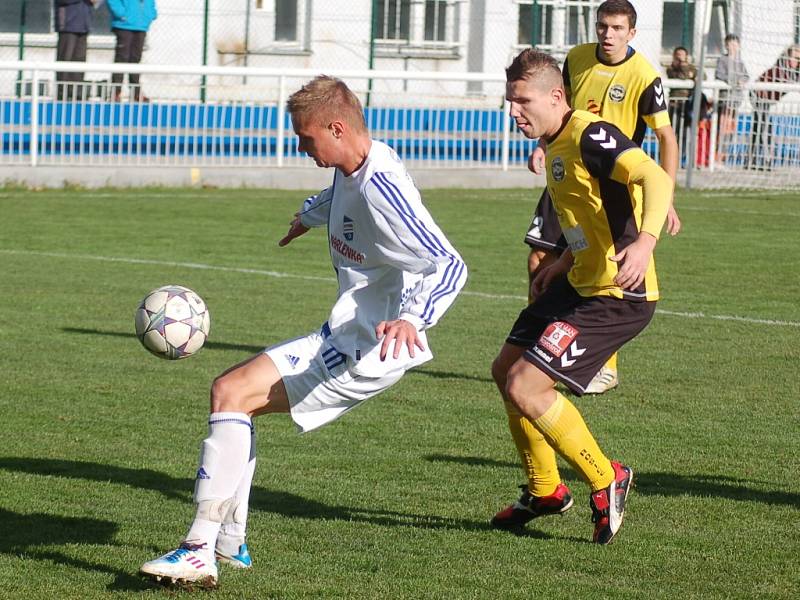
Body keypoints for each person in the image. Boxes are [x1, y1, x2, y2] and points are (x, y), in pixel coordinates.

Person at [138, 75, 468, 588]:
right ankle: (228, 544)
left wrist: (414, 318)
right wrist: (308, 216)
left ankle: (200, 547)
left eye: (306, 138)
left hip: (368, 348)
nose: (300, 146)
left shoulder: (384, 186)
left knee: (231, 393)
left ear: (337, 127)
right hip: (345, 334)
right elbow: (340, 195)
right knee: (231, 394)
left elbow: (449, 262)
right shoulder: (357, 165)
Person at [492, 48, 672, 543]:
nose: (514, 111)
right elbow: (584, 212)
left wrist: (646, 242)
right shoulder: (553, 145)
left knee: (527, 387)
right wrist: (563, 262)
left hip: (618, 294)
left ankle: (605, 478)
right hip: (578, 281)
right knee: (504, 371)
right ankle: (545, 489)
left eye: (522, 100)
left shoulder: (591, 134)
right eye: (509, 101)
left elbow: (652, 176)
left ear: (556, 96)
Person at [523, 0, 681, 398]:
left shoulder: (644, 75)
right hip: (566, 171)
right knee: (540, 258)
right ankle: (540, 344)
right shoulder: (576, 59)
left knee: (607, 271)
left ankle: (599, 361)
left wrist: (668, 196)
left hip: (610, 184)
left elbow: (665, 138)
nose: (607, 35)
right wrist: (545, 144)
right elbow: (557, 106)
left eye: (616, 28)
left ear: (631, 33)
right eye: (602, 27)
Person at [748, 44, 800, 170]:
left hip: (767, 100)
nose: (796, 61)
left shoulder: (795, 71)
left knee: (760, 128)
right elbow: (787, 81)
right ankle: (765, 160)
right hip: (758, 95)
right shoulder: (781, 68)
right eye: (795, 58)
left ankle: (753, 159)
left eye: (798, 59)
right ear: (788, 57)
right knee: (763, 128)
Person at [107, 0, 157, 102]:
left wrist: (150, 14)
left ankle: (136, 93)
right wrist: (121, 14)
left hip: (141, 25)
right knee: (121, 59)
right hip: (124, 25)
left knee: (135, 60)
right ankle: (115, 93)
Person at [714, 34, 749, 163]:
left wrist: (742, 81)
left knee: (731, 130)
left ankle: (723, 157)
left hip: (736, 100)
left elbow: (746, 76)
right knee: (722, 128)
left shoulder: (740, 62)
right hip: (725, 99)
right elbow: (720, 75)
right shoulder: (722, 60)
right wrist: (735, 81)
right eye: (730, 44)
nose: (733, 47)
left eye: (735, 44)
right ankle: (716, 157)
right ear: (726, 45)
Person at [54, 0, 97, 100]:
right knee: (65, 60)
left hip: (84, 25)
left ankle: (77, 93)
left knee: (80, 61)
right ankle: (62, 94)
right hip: (67, 25)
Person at [666, 46, 697, 156]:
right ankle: (669, 155)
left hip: (687, 104)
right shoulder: (670, 68)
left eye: (682, 55)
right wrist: (687, 72)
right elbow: (682, 77)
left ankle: (682, 155)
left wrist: (687, 69)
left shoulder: (691, 67)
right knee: (672, 132)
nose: (680, 57)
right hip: (675, 104)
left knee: (685, 132)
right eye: (678, 54)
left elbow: (702, 76)